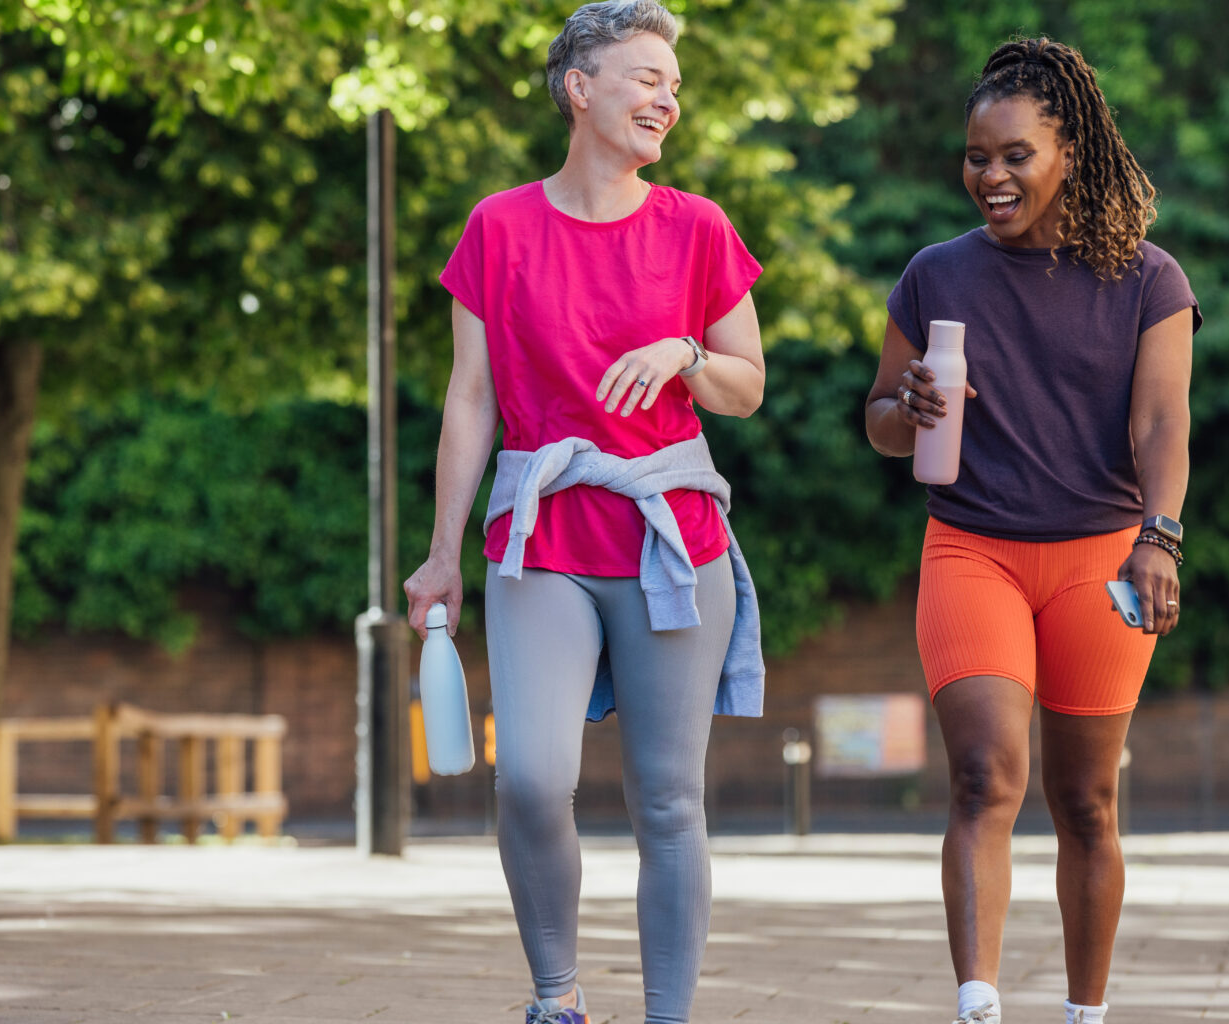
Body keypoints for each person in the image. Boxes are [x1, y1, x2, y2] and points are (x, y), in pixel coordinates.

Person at [401, 3, 767, 1023]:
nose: (668, 98)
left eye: (674, 84)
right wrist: (440, 556)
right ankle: (557, 998)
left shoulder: (697, 227)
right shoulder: (499, 226)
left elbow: (749, 386)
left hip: (671, 539)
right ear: (581, 88)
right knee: (529, 777)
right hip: (542, 533)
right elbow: (470, 397)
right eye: (647, 76)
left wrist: (691, 354)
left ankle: (667, 1014)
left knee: (668, 799)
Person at [862, 36, 1199, 1024]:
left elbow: (1161, 422)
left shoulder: (1148, 278)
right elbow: (880, 421)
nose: (991, 175)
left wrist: (1161, 535)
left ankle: (1085, 1013)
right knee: (982, 776)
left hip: (1102, 555)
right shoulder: (935, 277)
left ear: (1071, 155)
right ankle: (977, 1003)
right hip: (974, 547)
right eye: (977, 157)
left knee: (1086, 802)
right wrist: (908, 407)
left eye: (1015, 155)